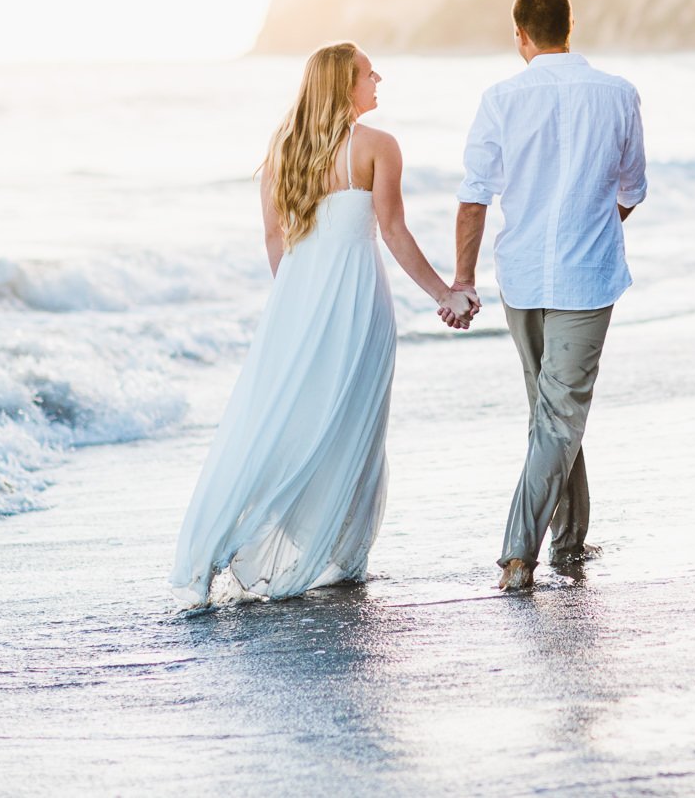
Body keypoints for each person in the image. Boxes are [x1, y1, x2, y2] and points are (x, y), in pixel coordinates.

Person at [169, 42, 474, 606]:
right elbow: (394, 233)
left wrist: (296, 304)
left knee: (285, 420)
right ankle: (335, 553)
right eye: (367, 72)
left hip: (296, 302)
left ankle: (238, 544)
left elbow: (273, 239)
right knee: (351, 421)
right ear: (342, 85)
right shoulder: (378, 146)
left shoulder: (282, 149)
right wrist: (446, 294)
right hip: (357, 301)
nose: (378, 77)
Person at [450, 0, 647, 591]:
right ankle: (565, 540)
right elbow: (631, 188)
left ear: (521, 35)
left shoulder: (500, 99)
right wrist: (591, 232)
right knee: (555, 413)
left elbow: (474, 200)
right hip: (586, 277)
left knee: (554, 412)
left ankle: (519, 554)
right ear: (570, 26)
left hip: (524, 275)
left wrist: (463, 277)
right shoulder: (618, 94)